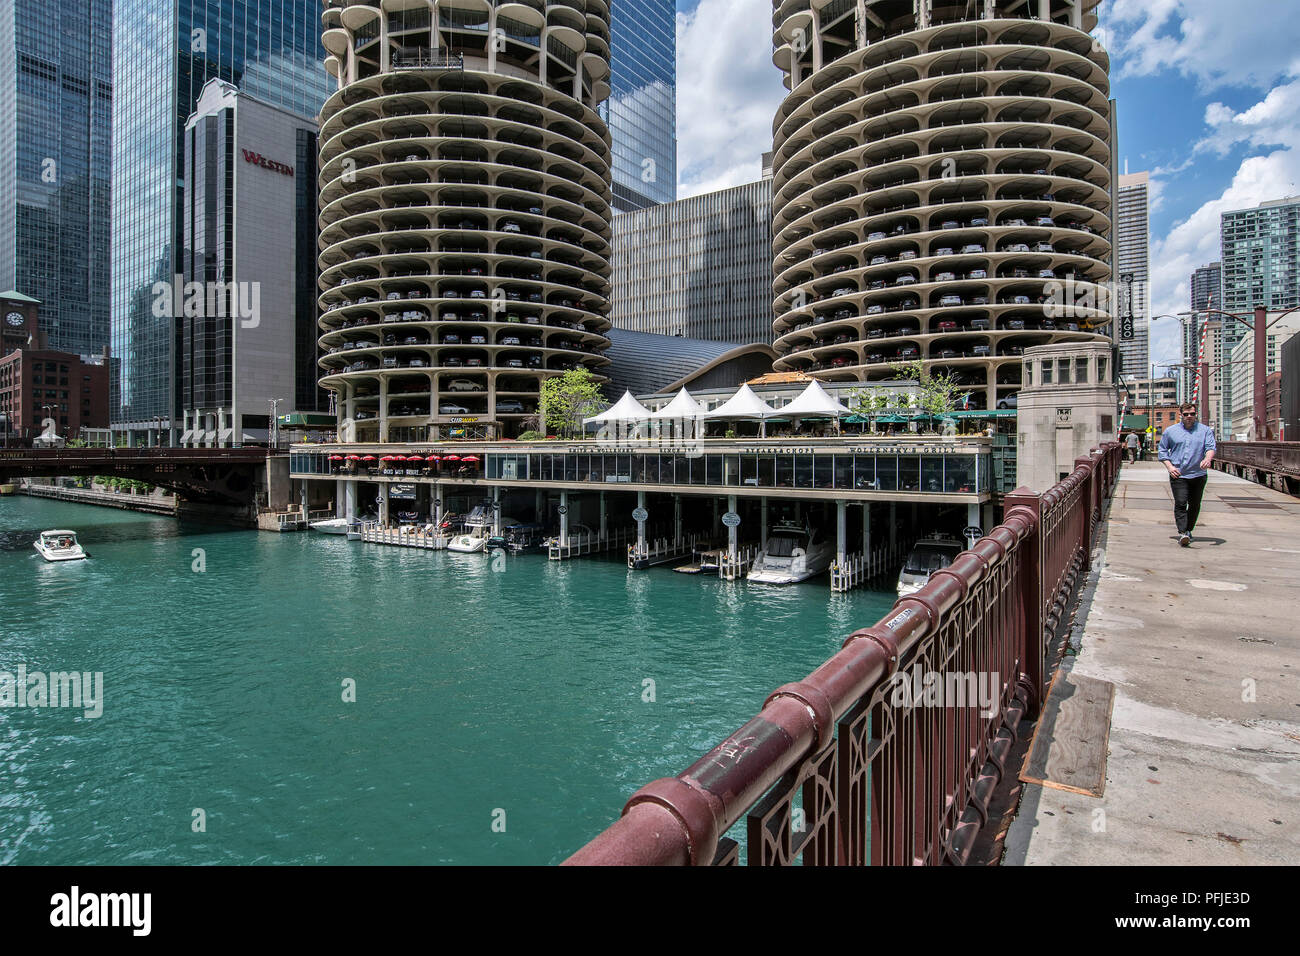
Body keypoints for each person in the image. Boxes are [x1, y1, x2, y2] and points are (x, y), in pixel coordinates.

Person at [1157, 403, 1217, 547]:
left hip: (1198, 474)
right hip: (1179, 474)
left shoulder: (1205, 431)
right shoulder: (1171, 431)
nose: (1189, 417)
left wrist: (1207, 459)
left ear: (1196, 415)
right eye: (1186, 414)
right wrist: (1170, 467)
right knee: (1181, 503)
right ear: (1181, 415)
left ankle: (1189, 529)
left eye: (1192, 414)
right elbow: (1163, 451)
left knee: (1195, 504)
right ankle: (1183, 532)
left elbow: (1210, 447)